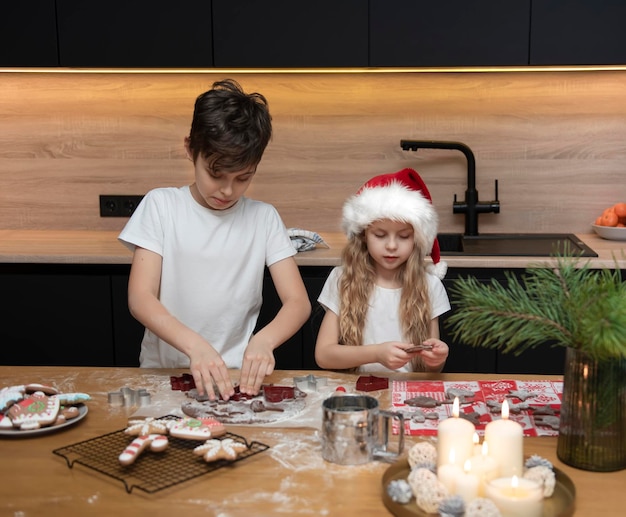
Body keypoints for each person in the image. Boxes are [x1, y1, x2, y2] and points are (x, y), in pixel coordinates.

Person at [119, 79, 311, 400]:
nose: (227, 190)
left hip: (232, 375)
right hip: (164, 374)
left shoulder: (263, 218)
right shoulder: (161, 206)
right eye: (215, 174)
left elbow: (298, 302)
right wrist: (196, 346)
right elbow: (141, 297)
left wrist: (263, 341)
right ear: (190, 149)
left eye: (242, 178)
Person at [315, 168, 451, 373]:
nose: (391, 246)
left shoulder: (429, 286)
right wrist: (376, 353)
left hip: (408, 398)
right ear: (363, 236)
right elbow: (324, 355)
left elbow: (433, 370)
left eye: (404, 236)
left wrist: (437, 358)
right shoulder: (343, 279)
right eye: (380, 235)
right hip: (358, 397)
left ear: (417, 239)